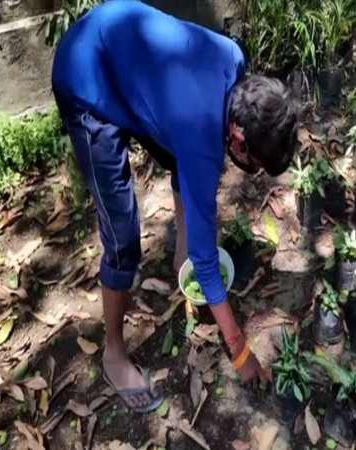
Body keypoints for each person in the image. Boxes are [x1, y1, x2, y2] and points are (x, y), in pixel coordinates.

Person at [52, 0, 298, 413]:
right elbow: (208, 260)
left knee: (173, 156)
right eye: (254, 166)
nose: (250, 173)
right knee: (123, 236)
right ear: (238, 139)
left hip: (124, 51)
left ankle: (176, 254)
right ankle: (113, 354)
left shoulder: (236, 61)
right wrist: (238, 350)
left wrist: (192, 256)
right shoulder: (202, 139)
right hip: (86, 78)